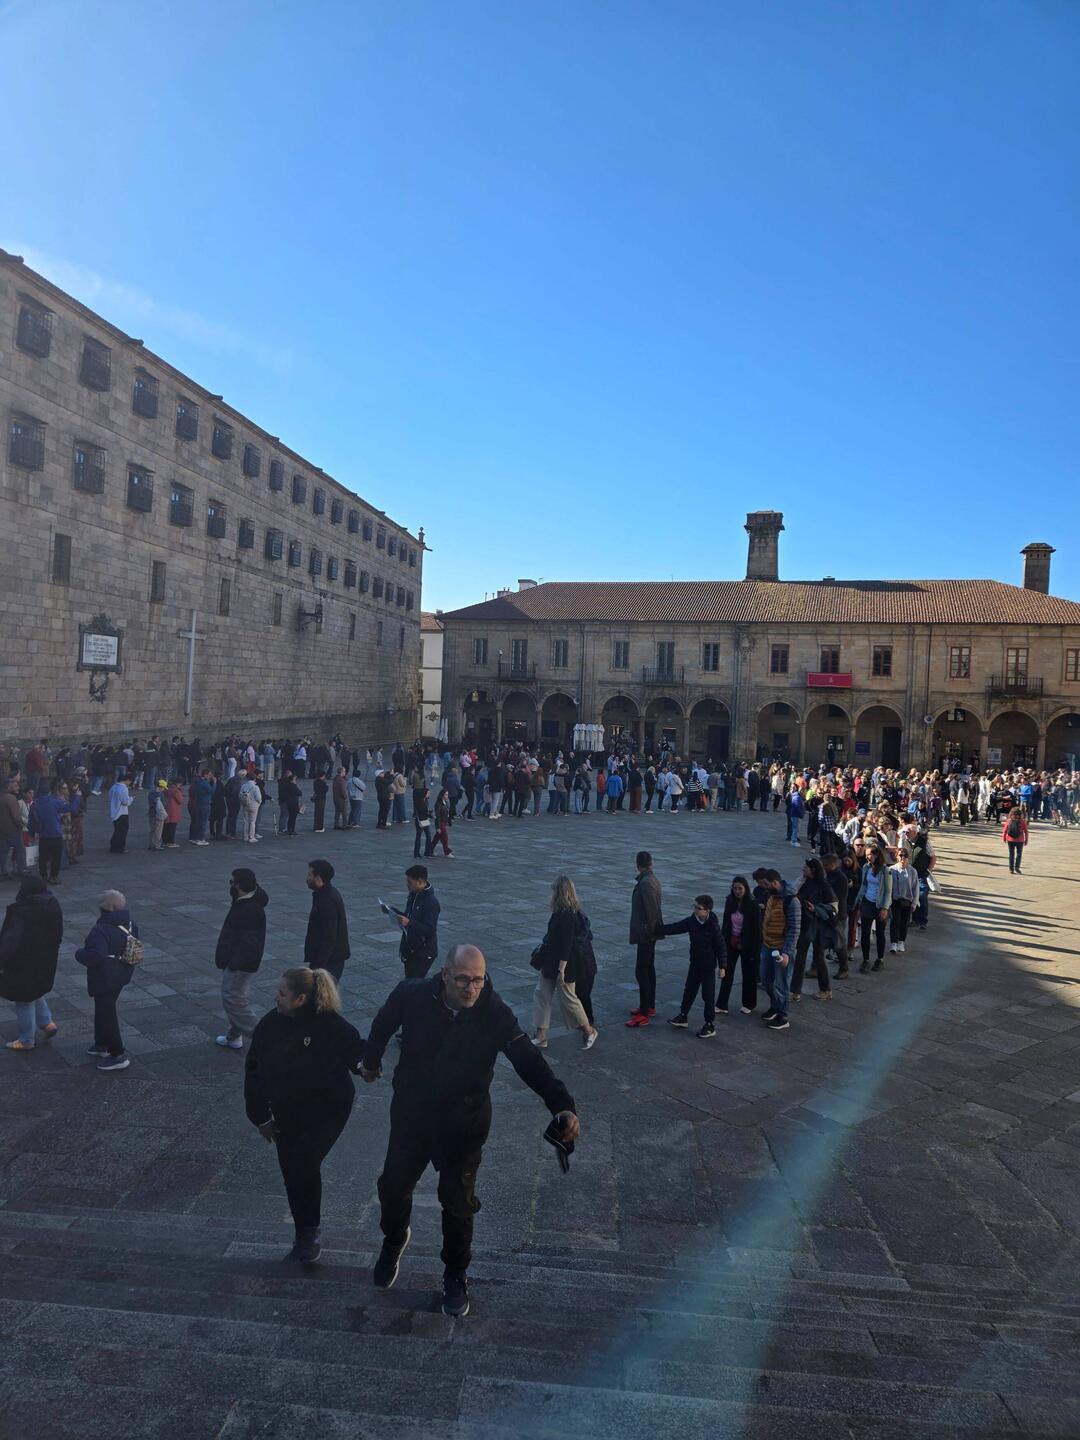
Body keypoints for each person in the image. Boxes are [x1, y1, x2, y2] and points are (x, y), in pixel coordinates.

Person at [361, 943, 580, 1317]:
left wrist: (561, 1103)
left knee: (458, 1205)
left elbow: (526, 1058)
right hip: (412, 1118)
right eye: (463, 979)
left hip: (463, 1125)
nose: (472, 988)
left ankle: (455, 1274)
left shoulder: (493, 1012)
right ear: (445, 974)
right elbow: (383, 1023)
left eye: (478, 979)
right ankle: (394, 1238)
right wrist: (370, 1061)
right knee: (392, 1188)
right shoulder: (412, 995)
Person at [244, 967, 365, 1263]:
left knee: (305, 1163)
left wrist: (365, 1065)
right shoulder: (270, 1025)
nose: (276, 997)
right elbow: (254, 1072)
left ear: (300, 999)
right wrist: (260, 1117)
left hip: (328, 1109)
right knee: (290, 1170)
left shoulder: (330, 1024)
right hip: (288, 1108)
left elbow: (355, 1049)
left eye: (282, 993)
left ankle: (310, 1235)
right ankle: (303, 1231)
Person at [531, 876, 599, 1051]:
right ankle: (541, 1035)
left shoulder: (568, 915)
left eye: (554, 891)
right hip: (550, 962)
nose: (551, 894)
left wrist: (561, 969)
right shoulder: (560, 912)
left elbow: (566, 945)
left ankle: (589, 1031)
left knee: (569, 999)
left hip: (563, 964)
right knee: (542, 994)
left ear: (559, 893)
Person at [75, 889, 138, 1070]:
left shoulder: (101, 930)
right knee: (103, 1008)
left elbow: (95, 956)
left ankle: (118, 1054)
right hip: (122, 972)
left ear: (103, 908)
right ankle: (101, 1043)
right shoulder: (130, 923)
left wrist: (79, 954)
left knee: (107, 1012)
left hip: (105, 976)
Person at [0, 873, 63, 1050]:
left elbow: (12, 940)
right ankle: (46, 1023)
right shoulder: (52, 904)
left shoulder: (22, 910)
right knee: (35, 989)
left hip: (23, 961)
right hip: (45, 958)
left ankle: (26, 1039)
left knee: (23, 997)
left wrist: (2, 961)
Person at [214, 867, 269, 1050]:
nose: (230, 886)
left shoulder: (249, 909)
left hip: (241, 964)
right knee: (236, 998)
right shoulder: (245, 901)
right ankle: (234, 1035)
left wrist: (233, 963)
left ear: (238, 885)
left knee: (233, 1000)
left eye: (232, 882)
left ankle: (263, 1037)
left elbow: (249, 942)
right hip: (241, 961)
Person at [659, 894, 725, 1038]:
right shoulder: (692, 921)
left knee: (708, 995)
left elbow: (720, 946)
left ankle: (709, 1024)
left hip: (708, 966)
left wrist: (722, 967)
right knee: (689, 990)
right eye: (694, 906)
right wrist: (658, 929)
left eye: (698, 908)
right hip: (695, 963)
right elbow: (676, 927)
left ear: (707, 910)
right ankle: (683, 1016)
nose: (695, 909)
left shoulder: (713, 926)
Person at [758, 869, 801, 1032]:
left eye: (766, 884)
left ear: (775, 883)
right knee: (765, 979)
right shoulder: (772, 896)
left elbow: (795, 929)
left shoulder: (791, 901)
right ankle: (775, 1006)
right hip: (767, 944)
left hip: (781, 948)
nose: (764, 888)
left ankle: (783, 1015)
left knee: (781, 983)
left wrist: (786, 952)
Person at [790, 857, 836, 1004]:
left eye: (806, 868)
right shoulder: (805, 881)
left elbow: (833, 906)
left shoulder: (824, 885)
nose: (803, 869)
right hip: (804, 924)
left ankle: (826, 989)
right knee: (800, 957)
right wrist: (801, 879)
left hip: (818, 925)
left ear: (813, 870)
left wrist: (816, 909)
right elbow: (792, 892)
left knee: (818, 957)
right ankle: (795, 991)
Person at [627, 851, 663, 1027]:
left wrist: (649, 932)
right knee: (648, 968)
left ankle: (644, 1012)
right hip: (649, 933)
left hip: (646, 934)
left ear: (637, 864)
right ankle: (649, 1006)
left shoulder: (646, 883)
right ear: (651, 863)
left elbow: (651, 911)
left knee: (642, 970)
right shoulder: (651, 879)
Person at [718, 875, 761, 1015]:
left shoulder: (753, 905)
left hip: (747, 943)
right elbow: (726, 923)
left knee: (748, 973)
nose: (737, 891)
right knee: (727, 972)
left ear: (746, 889)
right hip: (731, 941)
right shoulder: (730, 902)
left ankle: (749, 1003)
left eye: (740, 888)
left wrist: (755, 949)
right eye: (735, 888)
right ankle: (721, 1004)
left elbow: (757, 929)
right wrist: (722, 941)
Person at [304, 859, 350, 982]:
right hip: (328, 959)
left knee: (322, 992)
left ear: (318, 879)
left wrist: (319, 966)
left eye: (310, 875)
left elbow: (329, 937)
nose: (307, 878)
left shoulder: (327, 901)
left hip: (329, 962)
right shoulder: (324, 894)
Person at [396, 865, 441, 979]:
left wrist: (409, 923)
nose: (407, 885)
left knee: (413, 983)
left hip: (423, 952)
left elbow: (429, 930)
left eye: (410, 882)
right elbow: (410, 916)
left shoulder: (430, 902)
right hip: (412, 949)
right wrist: (394, 912)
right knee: (409, 982)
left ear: (420, 881)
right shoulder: (414, 895)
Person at [854, 844, 893, 972]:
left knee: (880, 933)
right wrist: (858, 900)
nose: (867, 857)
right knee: (865, 933)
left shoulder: (885, 871)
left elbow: (888, 891)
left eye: (869, 854)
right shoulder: (866, 867)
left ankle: (880, 959)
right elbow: (864, 885)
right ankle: (865, 960)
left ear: (876, 855)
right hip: (867, 902)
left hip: (880, 904)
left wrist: (885, 908)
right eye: (866, 854)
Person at [27, 781, 70, 883]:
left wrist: (31, 834)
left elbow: (31, 822)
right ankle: (53, 876)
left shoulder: (35, 804)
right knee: (56, 856)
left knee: (43, 856)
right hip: (55, 834)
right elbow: (69, 808)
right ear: (49, 792)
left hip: (43, 835)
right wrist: (77, 797)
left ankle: (43, 875)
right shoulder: (55, 802)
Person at [888, 848, 918, 954]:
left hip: (907, 901)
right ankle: (893, 943)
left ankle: (901, 942)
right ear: (897, 856)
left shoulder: (912, 871)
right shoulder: (891, 870)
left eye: (905, 856)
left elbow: (915, 888)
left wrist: (914, 903)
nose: (903, 858)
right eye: (900, 855)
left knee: (904, 923)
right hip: (895, 900)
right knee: (894, 922)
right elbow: (888, 887)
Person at [0, 778, 27, 880]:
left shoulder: (2, 797)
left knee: (3, 852)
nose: (18, 788)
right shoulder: (11, 798)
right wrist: (21, 825)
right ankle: (21, 870)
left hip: (2, 830)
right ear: (8, 786)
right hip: (13, 829)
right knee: (20, 850)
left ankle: (3, 872)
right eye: (15, 786)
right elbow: (16, 816)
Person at [108, 773, 132, 854]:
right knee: (122, 831)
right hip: (122, 812)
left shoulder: (113, 787)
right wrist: (131, 799)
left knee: (117, 830)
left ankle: (113, 846)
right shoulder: (124, 789)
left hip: (114, 811)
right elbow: (125, 802)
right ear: (127, 780)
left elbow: (110, 796)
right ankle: (120, 847)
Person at [1002, 802, 1029, 873]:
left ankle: (1011, 869)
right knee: (1019, 854)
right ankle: (1017, 867)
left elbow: (1005, 830)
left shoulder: (1009, 821)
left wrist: (1004, 838)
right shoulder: (1022, 821)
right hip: (1020, 840)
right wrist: (1026, 840)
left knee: (1011, 854)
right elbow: (1026, 831)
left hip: (1010, 839)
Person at [239, 772, 262, 843]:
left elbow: (240, 795)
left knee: (246, 821)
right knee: (252, 821)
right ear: (254, 779)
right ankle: (251, 837)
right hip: (254, 805)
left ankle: (245, 836)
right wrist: (259, 803)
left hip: (245, 804)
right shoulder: (255, 787)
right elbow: (258, 798)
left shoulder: (243, 786)